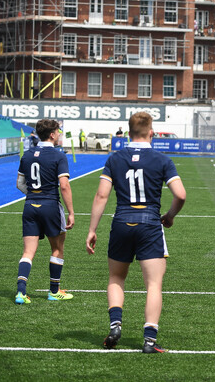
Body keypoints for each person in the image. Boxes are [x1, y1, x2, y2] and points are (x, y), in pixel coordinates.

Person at [86, 111, 187, 353]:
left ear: (128, 133)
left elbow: (101, 195)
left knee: (116, 278)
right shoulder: (162, 160)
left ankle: (115, 326)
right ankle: (149, 341)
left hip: (121, 222)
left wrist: (92, 229)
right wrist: (170, 216)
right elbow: (181, 194)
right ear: (151, 132)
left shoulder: (114, 159)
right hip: (150, 224)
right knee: (153, 284)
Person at [15, 119, 75, 304]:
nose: (59, 135)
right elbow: (64, 186)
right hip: (50, 205)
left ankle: (20, 293)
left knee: (28, 252)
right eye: (58, 132)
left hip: (30, 205)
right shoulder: (58, 156)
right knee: (57, 248)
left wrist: (34, 195)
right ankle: (54, 291)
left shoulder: (27, 155)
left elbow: (19, 184)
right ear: (52, 134)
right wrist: (71, 212)